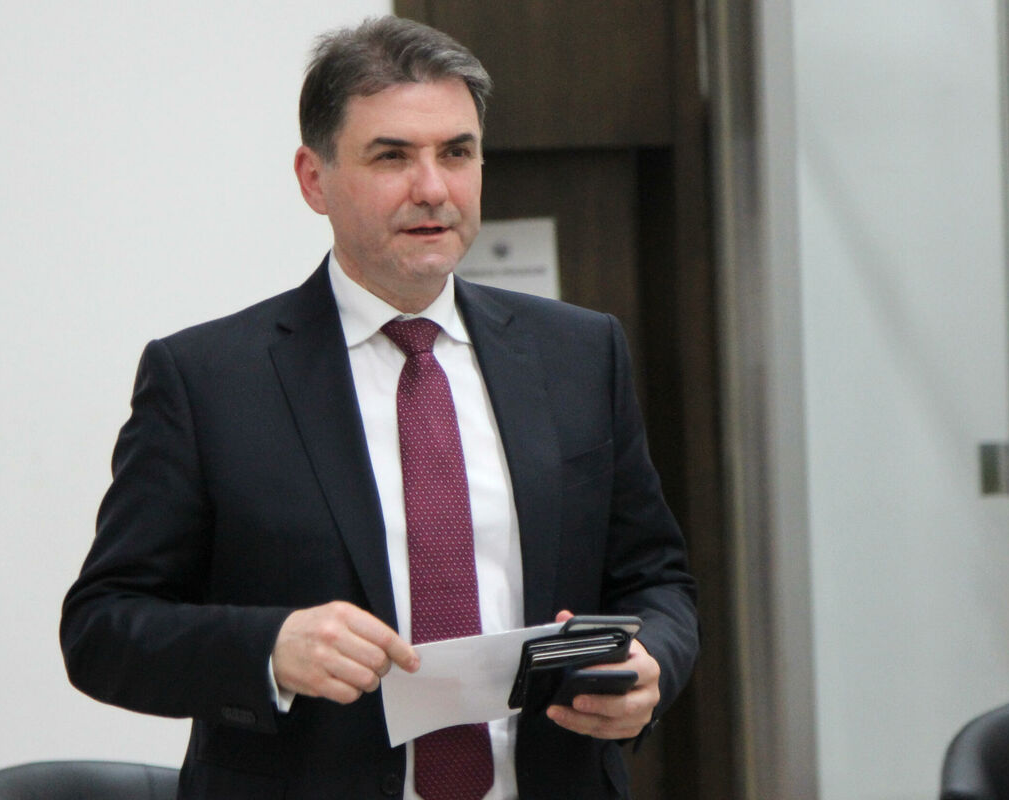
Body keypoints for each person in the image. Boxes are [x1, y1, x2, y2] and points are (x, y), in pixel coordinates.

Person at [59, 14, 698, 800]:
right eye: (392, 156)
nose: (432, 188)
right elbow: (102, 629)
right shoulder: (209, 381)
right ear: (314, 178)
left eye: (456, 153)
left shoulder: (580, 353)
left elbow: (658, 580)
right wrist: (269, 646)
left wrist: (652, 662)